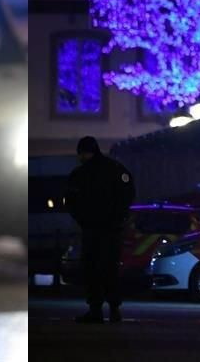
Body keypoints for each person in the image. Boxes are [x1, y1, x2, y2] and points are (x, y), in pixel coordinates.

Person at [66, 136, 135, 324]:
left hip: (91, 229)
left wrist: (83, 220)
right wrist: (119, 217)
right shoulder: (115, 169)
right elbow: (128, 194)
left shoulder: (80, 174)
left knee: (92, 269)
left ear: (83, 153)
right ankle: (114, 309)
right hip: (112, 229)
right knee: (110, 269)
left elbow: (71, 202)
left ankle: (95, 310)